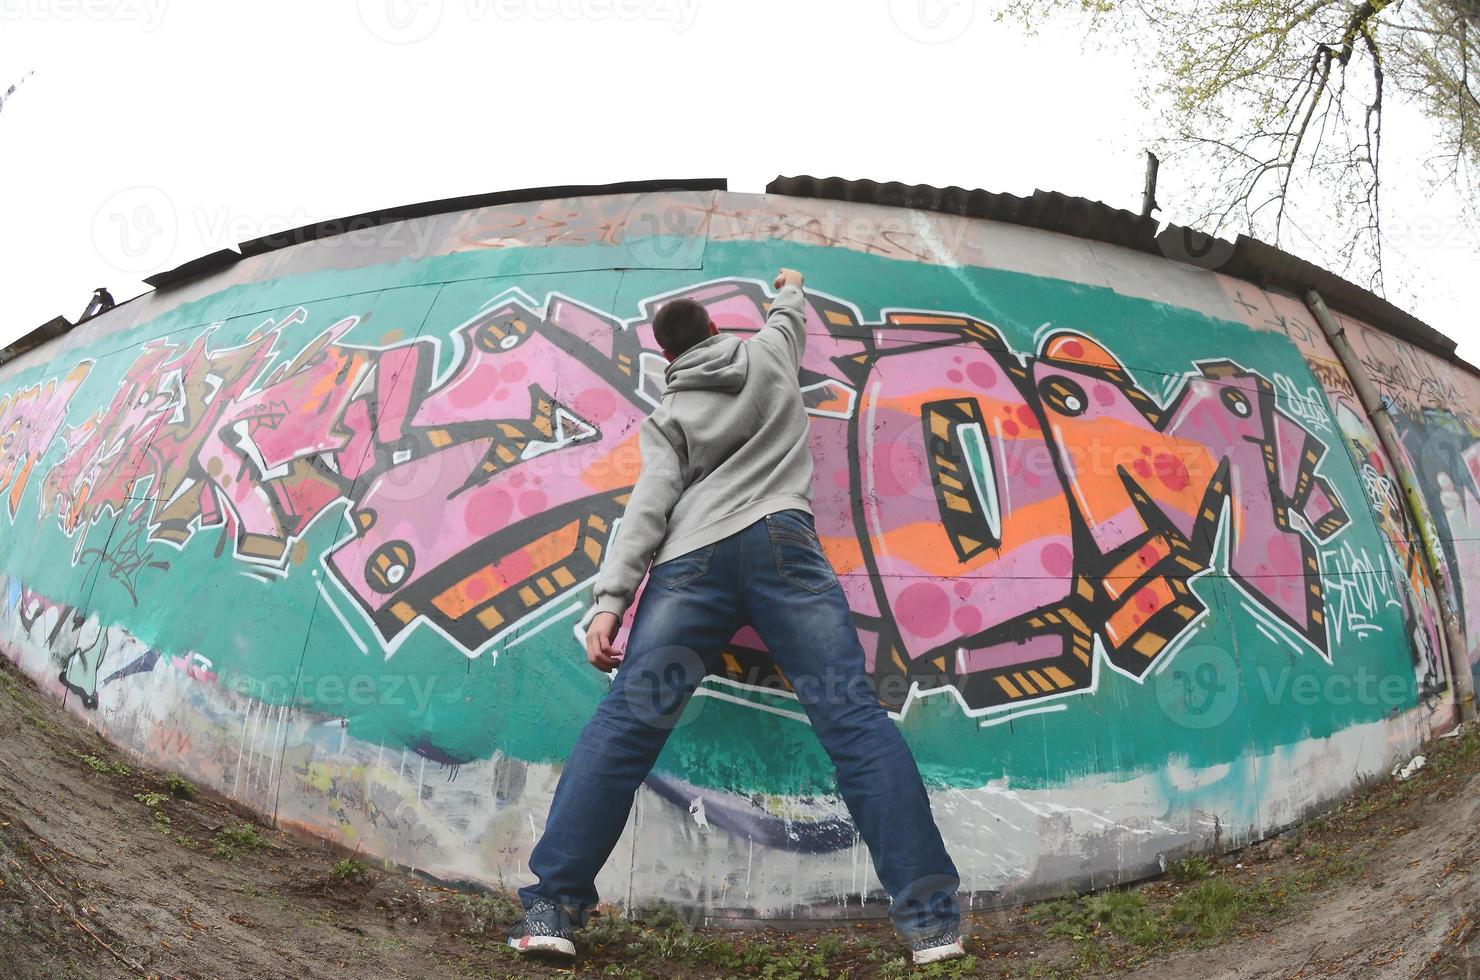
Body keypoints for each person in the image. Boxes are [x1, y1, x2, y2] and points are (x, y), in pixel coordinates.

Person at [507, 269, 964, 965]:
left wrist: (610, 602)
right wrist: (790, 284)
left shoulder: (670, 416)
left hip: (693, 560)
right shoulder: (769, 354)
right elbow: (789, 315)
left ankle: (552, 909)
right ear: (718, 332)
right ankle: (932, 924)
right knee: (853, 721)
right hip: (786, 544)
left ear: (668, 359)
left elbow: (648, 509)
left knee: (628, 722)